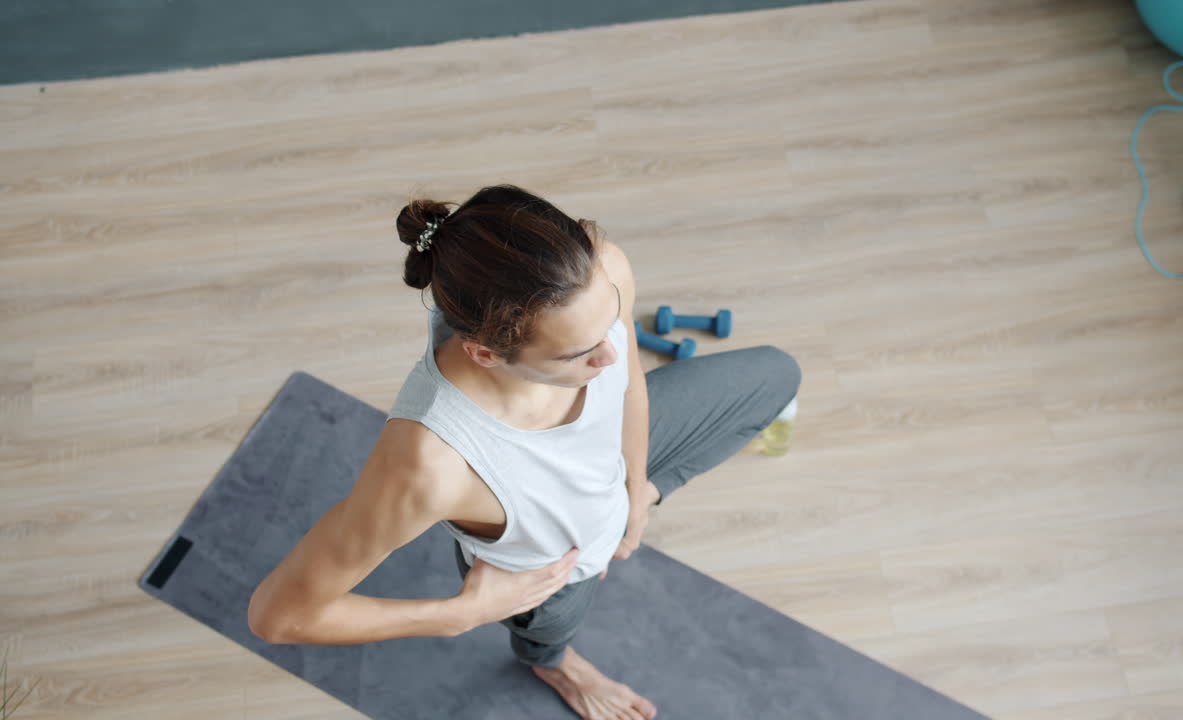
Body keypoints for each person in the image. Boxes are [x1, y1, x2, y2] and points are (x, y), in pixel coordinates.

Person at [248, 184, 801, 720]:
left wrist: (636, 492)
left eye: (608, 320)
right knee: (550, 633)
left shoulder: (603, 267)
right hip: (548, 569)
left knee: (777, 376)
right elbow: (279, 616)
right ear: (486, 354)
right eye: (578, 354)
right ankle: (556, 666)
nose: (609, 353)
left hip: (611, 473)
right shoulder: (429, 464)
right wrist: (464, 614)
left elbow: (629, 379)